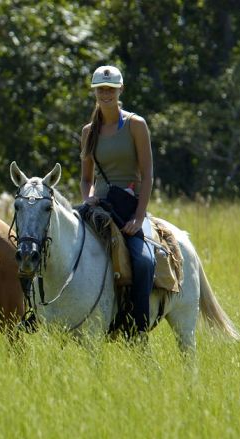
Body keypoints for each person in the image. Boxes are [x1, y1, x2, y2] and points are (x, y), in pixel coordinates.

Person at [79, 65, 156, 340]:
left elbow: (147, 175)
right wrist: (88, 199)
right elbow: (86, 179)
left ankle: (138, 329)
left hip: (127, 208)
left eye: (111, 89)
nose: (106, 94)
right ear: (95, 93)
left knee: (144, 262)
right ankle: (41, 313)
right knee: (52, 241)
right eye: (101, 89)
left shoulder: (136, 125)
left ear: (120, 90)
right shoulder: (89, 131)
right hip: (97, 207)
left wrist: (138, 216)